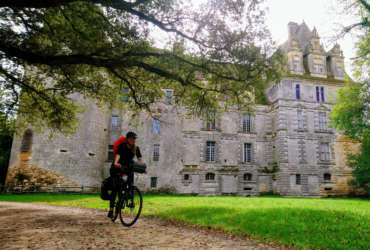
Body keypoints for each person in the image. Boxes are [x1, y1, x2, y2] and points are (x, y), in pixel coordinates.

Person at [108, 131, 144, 218]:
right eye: (132, 139)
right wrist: (116, 163)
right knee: (115, 188)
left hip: (127, 167)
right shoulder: (122, 146)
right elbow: (118, 155)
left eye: (134, 139)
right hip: (117, 167)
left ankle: (129, 193)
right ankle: (111, 210)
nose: (133, 140)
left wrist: (143, 168)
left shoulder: (136, 148)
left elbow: (140, 159)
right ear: (128, 139)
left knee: (128, 183)